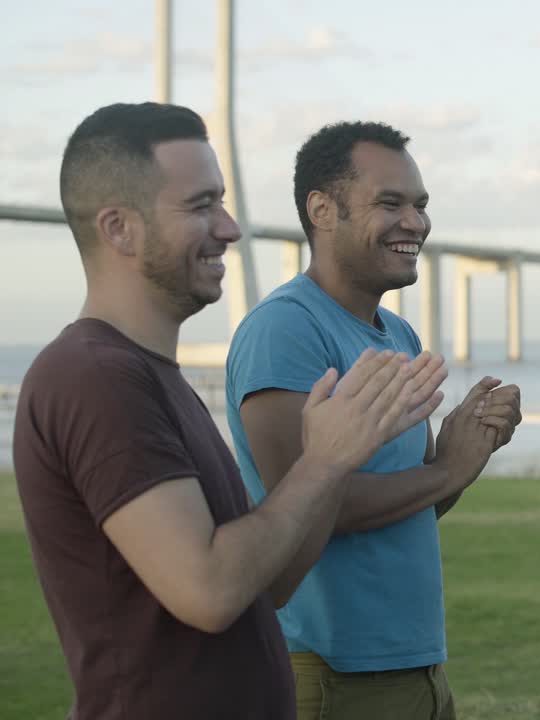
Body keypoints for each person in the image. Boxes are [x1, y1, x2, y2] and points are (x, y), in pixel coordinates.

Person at [12, 102, 446, 720]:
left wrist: (347, 448)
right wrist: (324, 465)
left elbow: (263, 588)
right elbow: (210, 591)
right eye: (200, 206)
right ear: (119, 229)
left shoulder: (151, 378)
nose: (230, 228)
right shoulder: (95, 376)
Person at [224, 121, 521, 720]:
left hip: (415, 666)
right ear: (322, 209)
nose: (416, 222)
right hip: (330, 673)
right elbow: (304, 505)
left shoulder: (400, 335)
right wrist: (447, 473)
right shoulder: (286, 330)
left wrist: (463, 454)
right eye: (391, 203)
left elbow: (411, 502)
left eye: (420, 205)